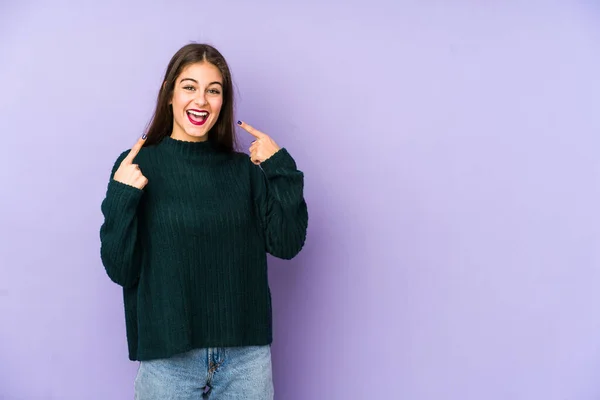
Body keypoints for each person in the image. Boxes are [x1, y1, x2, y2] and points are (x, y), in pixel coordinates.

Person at [99, 42, 308, 399]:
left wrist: (280, 169)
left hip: (246, 359)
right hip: (168, 360)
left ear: (222, 103)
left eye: (214, 91)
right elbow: (121, 270)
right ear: (169, 95)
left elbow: (287, 245)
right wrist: (122, 196)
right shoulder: (138, 167)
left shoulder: (245, 171)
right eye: (189, 87)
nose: (201, 100)